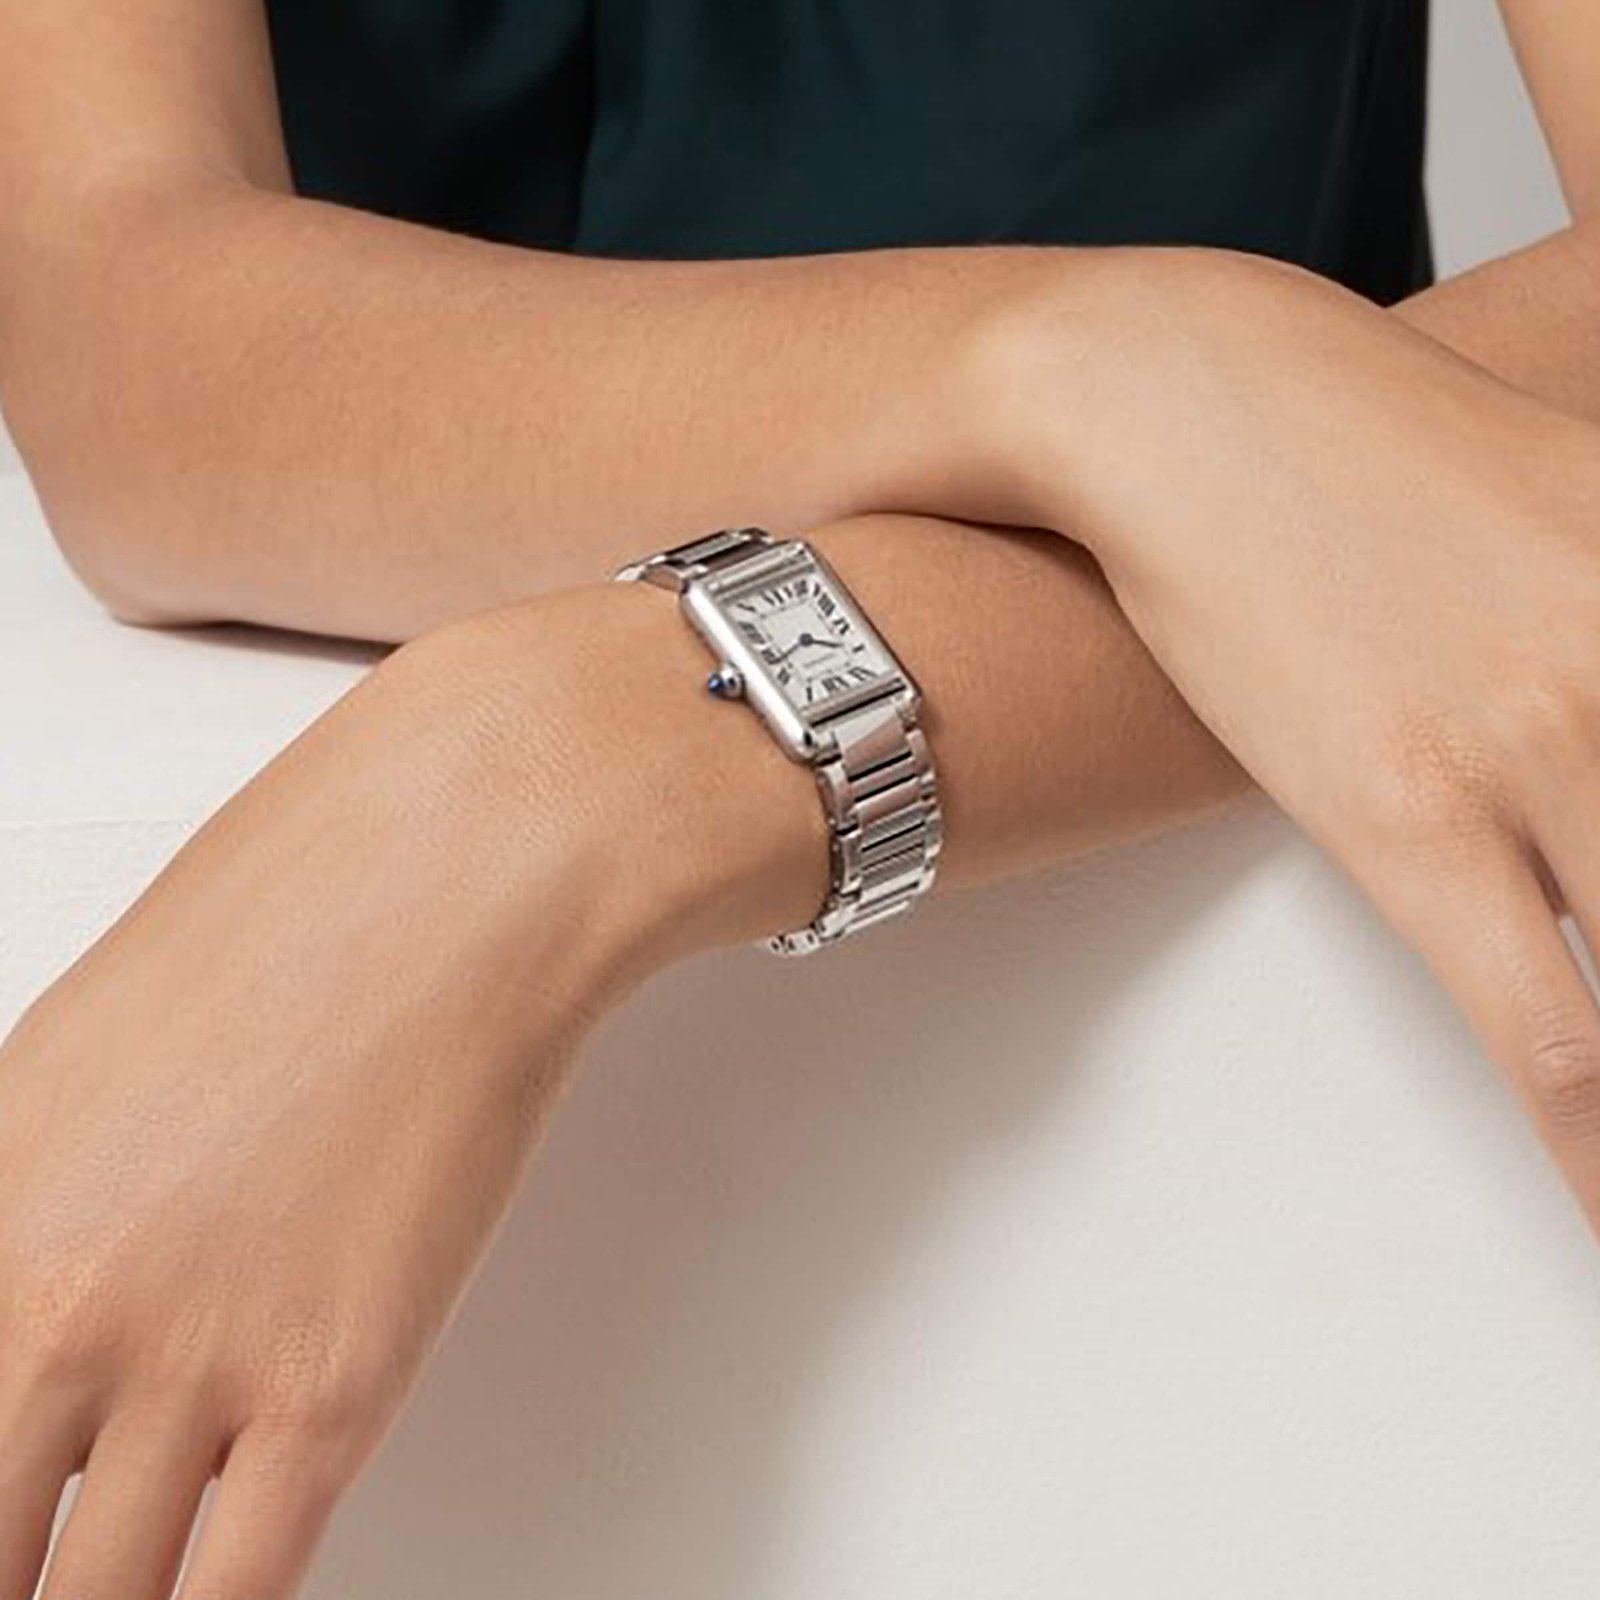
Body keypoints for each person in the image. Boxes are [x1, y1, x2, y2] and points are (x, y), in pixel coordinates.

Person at [2, 1, 1600, 1593]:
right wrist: (1108, 371)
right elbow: (132, 340)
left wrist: (598, 756)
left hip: (1266, 1035)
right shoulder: (1135, 365)